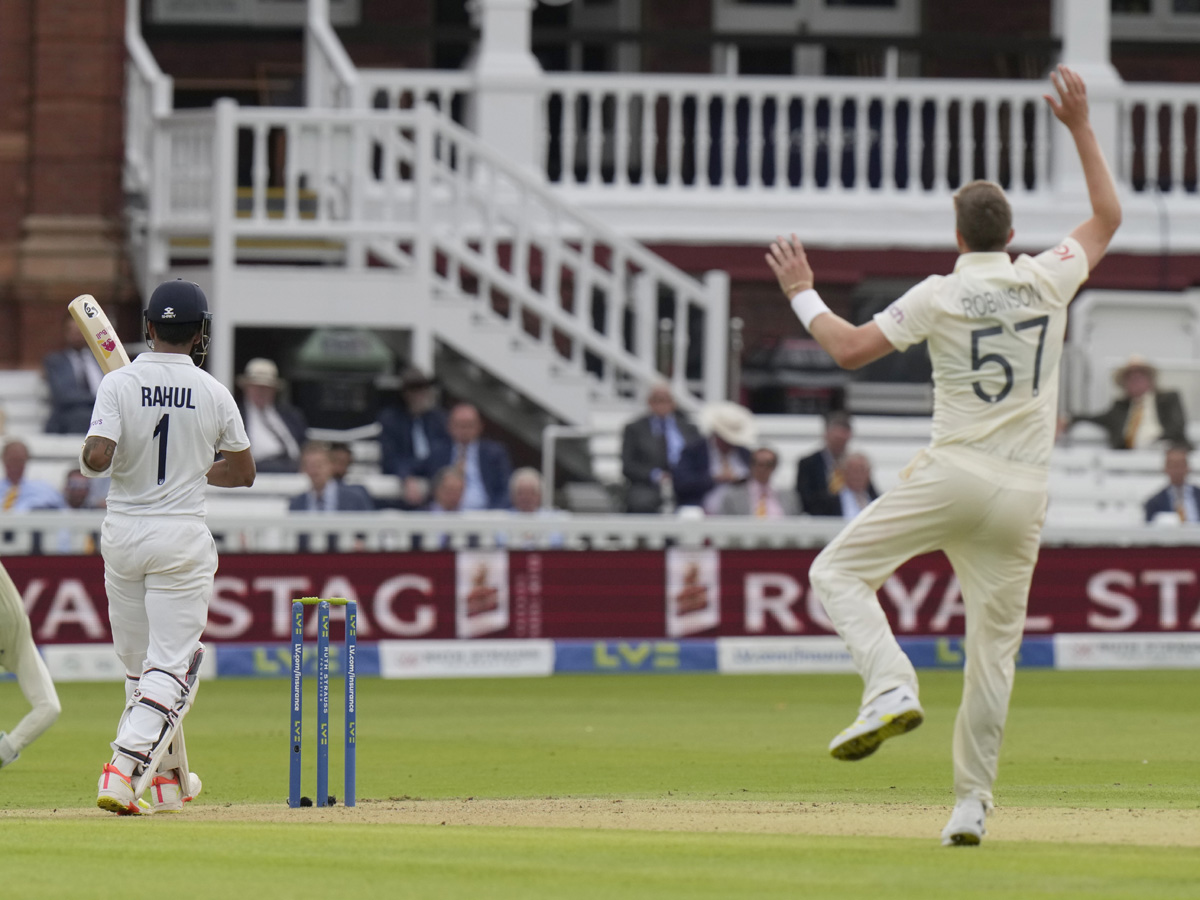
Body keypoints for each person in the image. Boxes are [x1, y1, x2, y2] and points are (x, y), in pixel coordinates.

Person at [764, 65, 1121, 846]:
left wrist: (801, 292)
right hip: (1026, 490)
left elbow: (852, 350)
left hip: (955, 473)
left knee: (837, 572)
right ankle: (970, 805)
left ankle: (889, 684)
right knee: (993, 654)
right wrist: (1081, 127)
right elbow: (1107, 215)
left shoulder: (938, 291)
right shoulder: (1047, 279)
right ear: (1010, 233)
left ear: (959, 237)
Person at [82, 278, 256, 815]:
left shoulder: (119, 384)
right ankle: (123, 768)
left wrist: (96, 449)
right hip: (179, 535)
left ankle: (166, 782)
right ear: (200, 333)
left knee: (141, 672)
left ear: (149, 328)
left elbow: (96, 459)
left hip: (123, 535)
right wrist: (192, 467)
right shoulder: (213, 391)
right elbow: (244, 473)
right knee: (171, 669)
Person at [0, 561, 61, 770]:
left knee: (49, 707)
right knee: (49, 706)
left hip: (17, 639)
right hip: (17, 637)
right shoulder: (20, 643)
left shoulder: (19, 644)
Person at [1067, 355, 1188, 450]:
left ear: (1150, 380)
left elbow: (1177, 426)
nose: (1135, 382)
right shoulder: (1119, 407)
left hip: (1165, 453)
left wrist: (1155, 443)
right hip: (1129, 458)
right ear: (1124, 384)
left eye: (1140, 378)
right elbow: (1096, 418)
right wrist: (1068, 419)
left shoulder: (1168, 399)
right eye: (1131, 379)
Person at [620, 382, 700, 513]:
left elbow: (698, 459)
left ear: (674, 403)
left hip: (685, 484)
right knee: (640, 503)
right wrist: (656, 476)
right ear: (649, 403)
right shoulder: (635, 429)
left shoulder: (689, 428)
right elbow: (628, 466)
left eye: (666, 400)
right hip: (648, 484)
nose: (662, 405)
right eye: (657, 400)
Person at [416, 403, 512, 510]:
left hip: (484, 514)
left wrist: (493, 513)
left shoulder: (494, 453)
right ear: (450, 427)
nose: (464, 430)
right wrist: (408, 480)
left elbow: (506, 489)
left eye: (469, 425)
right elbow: (413, 468)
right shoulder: (438, 452)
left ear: (479, 426)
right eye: (460, 425)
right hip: (444, 514)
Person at [378, 367, 451, 504]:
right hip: (403, 481)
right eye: (414, 389)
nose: (420, 394)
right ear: (405, 393)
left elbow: (443, 451)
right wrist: (406, 477)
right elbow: (390, 457)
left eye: (424, 388)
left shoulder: (439, 419)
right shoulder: (391, 420)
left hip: (435, 477)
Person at [672, 401, 756, 512]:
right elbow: (682, 484)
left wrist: (739, 481)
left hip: (740, 511)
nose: (729, 444)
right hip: (700, 510)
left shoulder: (745, 454)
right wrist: (714, 479)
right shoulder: (694, 452)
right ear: (716, 434)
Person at [796, 411, 877, 517]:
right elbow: (806, 498)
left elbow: (868, 491)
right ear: (826, 436)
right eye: (837, 440)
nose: (840, 445)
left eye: (843, 441)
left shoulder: (856, 464)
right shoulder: (809, 463)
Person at [236, 358, 306, 473]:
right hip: (257, 473)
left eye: (266, 388)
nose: (261, 391)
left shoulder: (291, 415)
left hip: (294, 471)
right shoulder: (236, 415)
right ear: (247, 388)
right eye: (256, 386)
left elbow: (304, 446)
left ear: (274, 390)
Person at [44, 313, 104, 434]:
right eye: (72, 331)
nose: (77, 335)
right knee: (82, 417)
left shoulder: (101, 359)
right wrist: (99, 398)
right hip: (70, 415)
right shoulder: (55, 361)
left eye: (80, 330)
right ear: (65, 333)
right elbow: (63, 396)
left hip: (103, 412)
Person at [717, 446, 801, 517]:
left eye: (768, 464)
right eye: (759, 464)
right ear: (751, 465)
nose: (763, 469)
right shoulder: (733, 496)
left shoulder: (789, 497)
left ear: (774, 466)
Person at [0, 439, 66, 512]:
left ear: (27, 460)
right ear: (3, 459)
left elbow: (64, 514)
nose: (15, 465)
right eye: (12, 460)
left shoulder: (45, 490)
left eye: (20, 461)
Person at [1144, 444, 1200, 524]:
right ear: (1165, 468)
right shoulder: (1154, 503)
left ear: (1188, 467)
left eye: (1181, 465)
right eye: (1172, 465)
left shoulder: (1198, 496)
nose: (1177, 470)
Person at [327, 442, 374, 510]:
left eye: (343, 463)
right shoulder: (312, 493)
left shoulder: (358, 493)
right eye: (335, 461)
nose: (338, 467)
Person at [836, 452, 877, 520]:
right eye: (854, 471)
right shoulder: (832, 501)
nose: (858, 475)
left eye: (862, 470)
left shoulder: (877, 500)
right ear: (844, 473)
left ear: (868, 473)